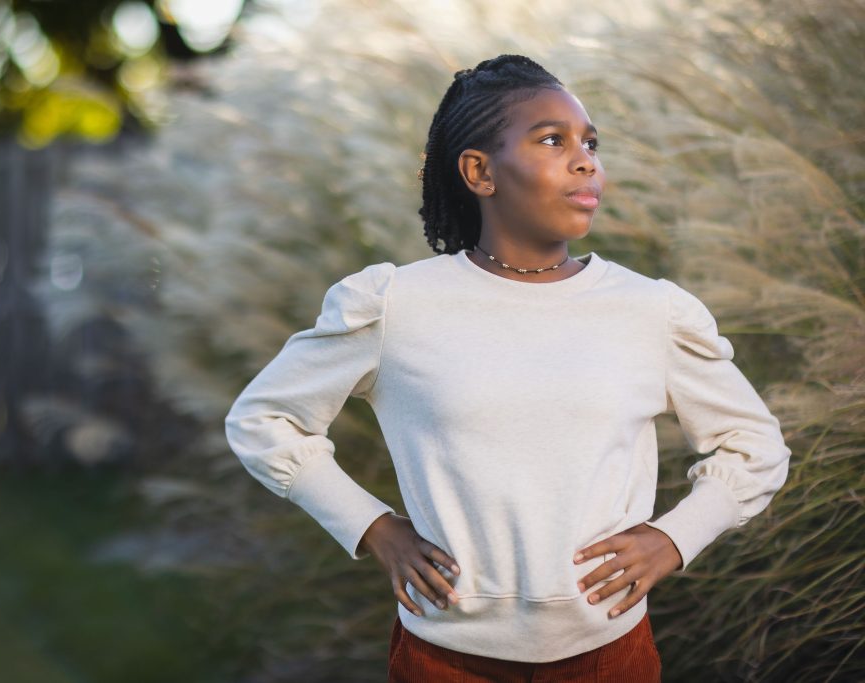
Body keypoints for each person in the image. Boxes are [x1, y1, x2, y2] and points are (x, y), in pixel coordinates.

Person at [223, 54, 792, 682]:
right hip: (443, 658)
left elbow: (754, 445)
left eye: (591, 143)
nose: (586, 160)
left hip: (610, 654)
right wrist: (373, 528)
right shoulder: (395, 306)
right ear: (479, 171)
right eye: (553, 139)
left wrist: (676, 537)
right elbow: (265, 419)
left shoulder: (649, 311)